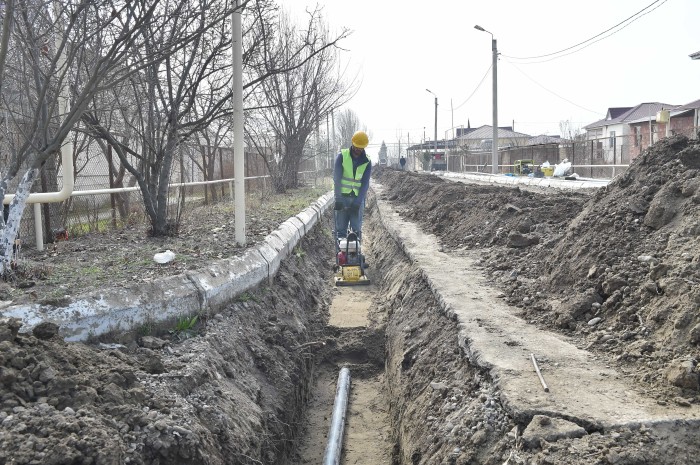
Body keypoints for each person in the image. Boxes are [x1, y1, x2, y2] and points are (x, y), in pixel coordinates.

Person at [334, 130, 372, 240]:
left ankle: (355, 255)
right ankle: (341, 255)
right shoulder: (342, 156)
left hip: (357, 199)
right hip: (343, 198)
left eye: (360, 148)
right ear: (352, 143)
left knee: (356, 233)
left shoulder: (367, 161)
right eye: (356, 147)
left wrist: (358, 201)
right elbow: (337, 179)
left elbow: (365, 184)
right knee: (341, 232)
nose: (358, 150)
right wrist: (338, 199)